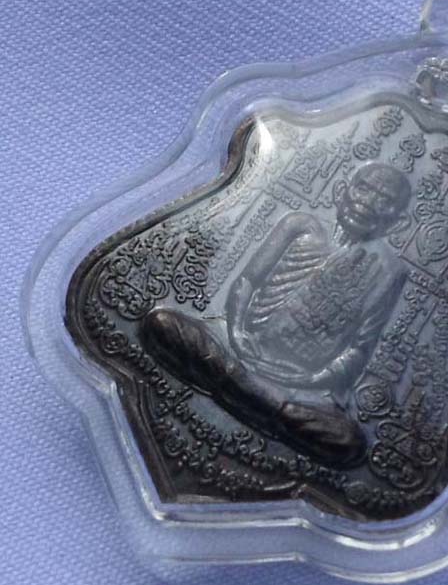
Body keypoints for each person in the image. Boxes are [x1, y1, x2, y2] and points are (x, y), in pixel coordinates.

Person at [141, 163, 412, 467]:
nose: (368, 203)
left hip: (297, 388)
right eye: (363, 188)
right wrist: (237, 333)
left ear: (398, 222)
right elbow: (248, 281)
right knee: (162, 324)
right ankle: (265, 407)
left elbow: (360, 348)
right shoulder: (299, 225)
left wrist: (312, 378)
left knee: (348, 442)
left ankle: (240, 390)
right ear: (341, 191)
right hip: (236, 350)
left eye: (384, 200)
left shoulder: (389, 271)